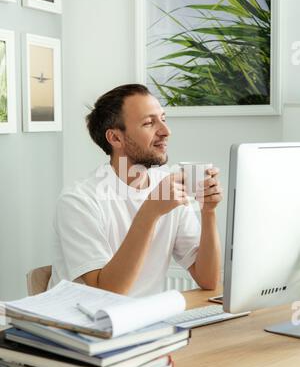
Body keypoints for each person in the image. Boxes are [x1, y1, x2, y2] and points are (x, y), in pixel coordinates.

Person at [50, 84, 223, 296]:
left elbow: (208, 280)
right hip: (84, 323)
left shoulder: (169, 188)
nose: (166, 131)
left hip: (145, 320)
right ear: (115, 138)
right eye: (149, 123)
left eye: (163, 119)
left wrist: (208, 211)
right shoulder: (79, 201)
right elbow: (107, 293)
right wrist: (150, 212)